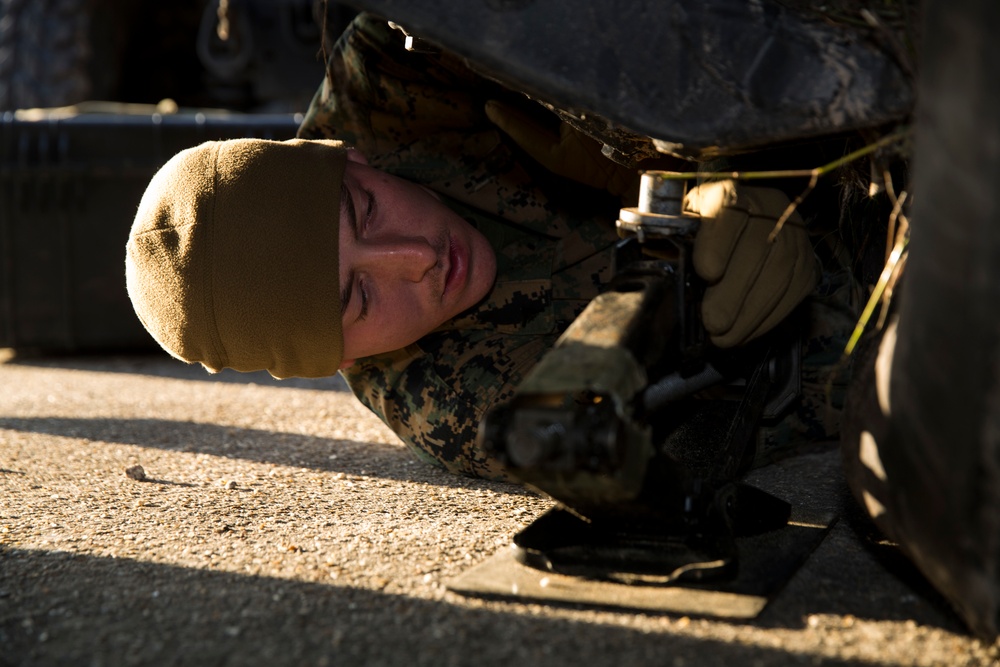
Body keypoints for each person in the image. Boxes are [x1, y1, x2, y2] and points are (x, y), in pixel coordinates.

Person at [126, 13, 848, 482]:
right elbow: (768, 405)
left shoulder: (395, 66)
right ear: (344, 361)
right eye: (362, 296)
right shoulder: (465, 401)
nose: (415, 257)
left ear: (349, 157)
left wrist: (698, 145)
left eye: (366, 211)